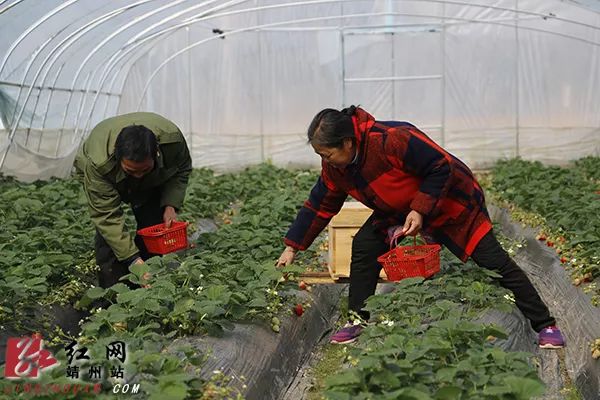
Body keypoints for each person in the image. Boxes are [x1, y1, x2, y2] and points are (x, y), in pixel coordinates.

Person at [276, 106, 565, 349]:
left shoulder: (391, 140)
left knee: (492, 260)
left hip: (451, 201)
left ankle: (545, 325)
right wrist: (293, 247)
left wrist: (419, 209)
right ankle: (357, 319)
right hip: (398, 209)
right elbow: (319, 204)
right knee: (365, 246)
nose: (323, 161)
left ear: (348, 142)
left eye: (326, 154)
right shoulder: (336, 168)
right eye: (320, 155)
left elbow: (441, 165)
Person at [74, 112, 192, 289]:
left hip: (154, 178)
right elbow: (107, 216)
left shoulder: (172, 142)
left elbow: (182, 169)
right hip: (106, 176)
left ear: (157, 153)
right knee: (110, 239)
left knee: (153, 222)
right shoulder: (99, 163)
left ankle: (150, 283)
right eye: (131, 171)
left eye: (143, 170)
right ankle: (114, 295)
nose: (138, 176)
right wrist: (132, 259)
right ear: (118, 157)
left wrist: (170, 205)